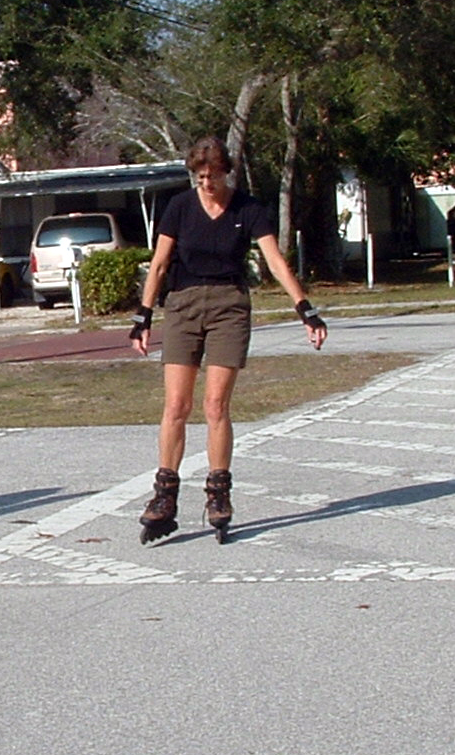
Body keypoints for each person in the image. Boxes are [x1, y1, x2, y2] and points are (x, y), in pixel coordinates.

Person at [129, 136, 327, 543]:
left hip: (228, 306)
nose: (206, 184)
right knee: (176, 405)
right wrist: (143, 315)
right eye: (199, 177)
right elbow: (160, 263)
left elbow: (274, 260)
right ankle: (165, 497)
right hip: (183, 305)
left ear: (225, 172)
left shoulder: (248, 208)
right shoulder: (180, 207)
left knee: (216, 405)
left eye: (212, 176)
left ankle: (218, 495)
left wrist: (304, 307)